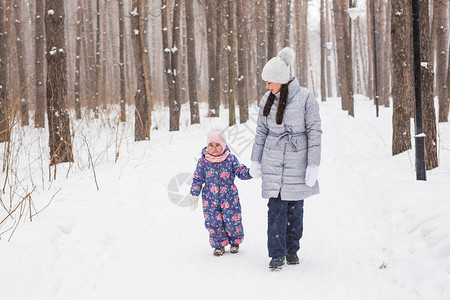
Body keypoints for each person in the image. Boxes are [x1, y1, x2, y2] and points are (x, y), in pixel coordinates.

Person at [249, 47, 322, 269]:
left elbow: (314, 131)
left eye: (269, 82)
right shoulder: (266, 99)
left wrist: (313, 164)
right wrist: (256, 160)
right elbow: (261, 131)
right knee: (276, 209)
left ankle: (292, 250)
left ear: (281, 79)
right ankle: (277, 253)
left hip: (297, 160)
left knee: (295, 210)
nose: (266, 86)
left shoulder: (306, 98)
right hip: (272, 158)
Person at [190, 126, 253, 256]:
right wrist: (194, 194)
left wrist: (251, 172)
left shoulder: (230, 159)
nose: (214, 148)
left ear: (224, 145)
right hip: (210, 199)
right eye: (210, 145)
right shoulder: (203, 161)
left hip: (229, 197)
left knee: (232, 220)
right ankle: (219, 244)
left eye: (217, 145)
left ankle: (235, 241)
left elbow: (240, 171)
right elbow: (197, 178)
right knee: (213, 222)